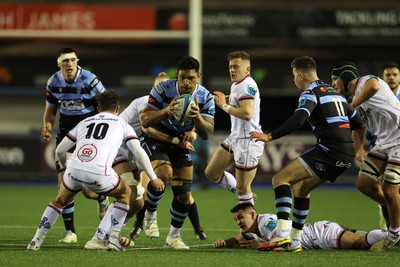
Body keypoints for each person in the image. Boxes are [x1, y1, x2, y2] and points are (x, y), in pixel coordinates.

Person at [249, 56, 365, 253]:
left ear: (301, 75)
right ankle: (294, 242)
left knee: (280, 179)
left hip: (330, 150)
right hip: (346, 155)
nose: (294, 81)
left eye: (294, 76)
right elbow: (358, 123)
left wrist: (270, 136)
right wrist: (359, 148)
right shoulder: (335, 93)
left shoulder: (310, 93)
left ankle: (281, 235)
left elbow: (298, 120)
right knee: (301, 188)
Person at [27, 91, 164, 251]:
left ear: (98, 107)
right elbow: (138, 151)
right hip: (99, 172)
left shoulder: (85, 122)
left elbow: (59, 151)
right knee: (127, 193)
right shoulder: (122, 124)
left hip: (74, 170)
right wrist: (153, 177)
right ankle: (111, 240)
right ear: (118, 108)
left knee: (59, 201)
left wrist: (65, 168)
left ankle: (36, 240)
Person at [113, 72, 207, 242]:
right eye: (160, 87)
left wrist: (192, 132)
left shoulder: (178, 102)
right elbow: (148, 129)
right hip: (123, 150)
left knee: (143, 196)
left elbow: (188, 123)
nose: (166, 91)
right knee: (134, 192)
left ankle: (120, 228)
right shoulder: (146, 102)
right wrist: (177, 141)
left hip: (138, 150)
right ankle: (117, 225)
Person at [140, 55, 215, 249]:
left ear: (198, 76)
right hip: (156, 138)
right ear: (177, 76)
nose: (186, 82)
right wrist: (166, 111)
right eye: (182, 77)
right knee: (164, 174)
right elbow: (145, 120)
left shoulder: (205, 97)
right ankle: (151, 211)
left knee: (183, 195)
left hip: (180, 143)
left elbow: (207, 133)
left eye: (190, 78)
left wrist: (197, 118)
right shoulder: (162, 89)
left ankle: (173, 236)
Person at [40, 47, 109, 244]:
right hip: (66, 136)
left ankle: (101, 197)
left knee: (88, 192)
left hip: (89, 137)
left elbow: (105, 105)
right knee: (64, 185)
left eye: (72, 60)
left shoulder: (90, 80)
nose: (69, 64)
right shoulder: (53, 82)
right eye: (65, 61)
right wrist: (47, 125)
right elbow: (50, 109)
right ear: (59, 64)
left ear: (77, 61)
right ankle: (70, 232)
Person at [331, 61, 400, 250]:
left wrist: (351, 105)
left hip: (399, 137)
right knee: (364, 183)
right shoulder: (355, 99)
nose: (333, 84)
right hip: (383, 142)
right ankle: (396, 210)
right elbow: (358, 127)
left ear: (345, 78)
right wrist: (359, 148)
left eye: (335, 79)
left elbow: (375, 85)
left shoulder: (365, 82)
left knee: (390, 187)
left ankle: (395, 233)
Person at [205, 51, 264, 205]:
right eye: (231, 67)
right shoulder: (237, 85)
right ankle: (242, 193)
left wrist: (223, 105)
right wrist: (223, 99)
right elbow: (238, 101)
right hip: (235, 138)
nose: (232, 70)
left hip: (248, 141)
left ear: (247, 69)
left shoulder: (247, 85)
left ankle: (249, 227)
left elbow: (247, 113)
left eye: (236, 67)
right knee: (211, 172)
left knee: (244, 189)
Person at [213, 203, 387, 252]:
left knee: (361, 244)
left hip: (320, 235)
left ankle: (393, 233)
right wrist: (224, 243)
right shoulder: (254, 229)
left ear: (253, 215)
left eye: (241, 217)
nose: (238, 222)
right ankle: (391, 235)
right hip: (318, 233)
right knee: (366, 239)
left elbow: (283, 244)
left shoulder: (266, 223)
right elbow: (238, 239)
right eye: (236, 219)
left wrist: (260, 247)